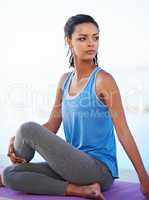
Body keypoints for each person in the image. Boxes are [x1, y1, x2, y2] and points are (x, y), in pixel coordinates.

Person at [0, 14, 149, 200]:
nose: (91, 43)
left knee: (27, 128)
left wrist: (144, 177)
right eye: (82, 38)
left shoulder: (104, 80)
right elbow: (51, 126)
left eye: (95, 37)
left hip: (98, 170)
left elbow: (123, 131)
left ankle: (85, 184)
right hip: (71, 168)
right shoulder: (64, 81)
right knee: (9, 175)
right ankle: (80, 190)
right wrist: (16, 141)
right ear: (69, 41)